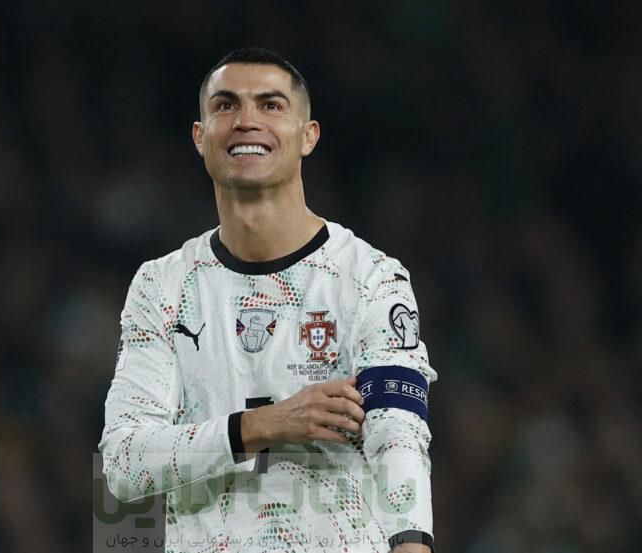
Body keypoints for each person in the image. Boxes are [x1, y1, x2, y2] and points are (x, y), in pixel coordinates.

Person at [99, 47, 437, 553]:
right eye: (226, 105)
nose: (246, 121)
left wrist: (412, 545)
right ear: (200, 137)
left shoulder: (369, 277)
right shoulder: (163, 286)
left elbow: (399, 435)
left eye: (271, 105)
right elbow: (124, 464)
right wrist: (263, 425)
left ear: (308, 136)